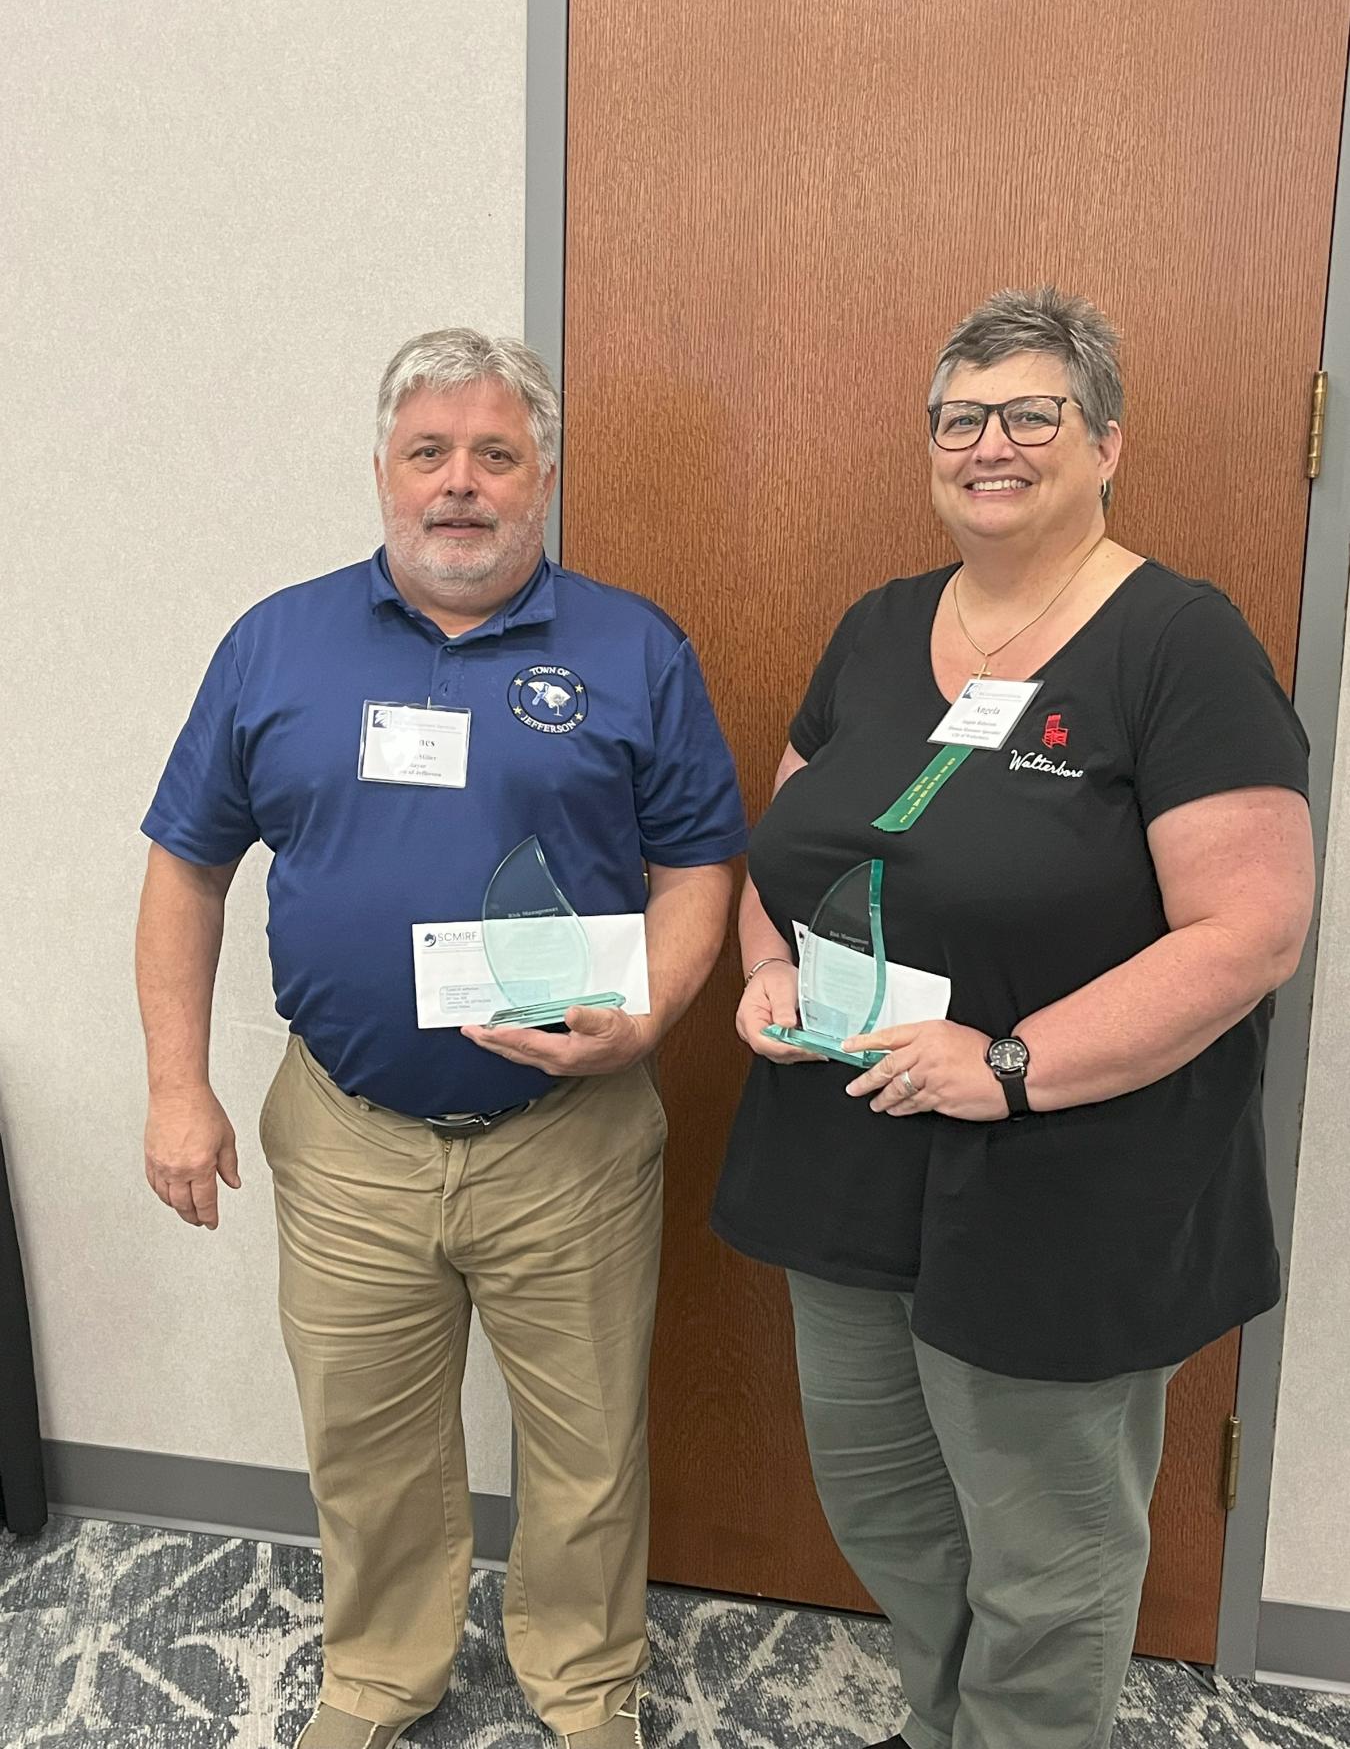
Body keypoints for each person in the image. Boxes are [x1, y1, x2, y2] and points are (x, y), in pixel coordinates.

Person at [712, 287, 1313, 1749]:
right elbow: (784, 849)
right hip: (852, 1152)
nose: (989, 443)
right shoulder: (878, 627)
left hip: (1065, 1171)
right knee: (887, 1503)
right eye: (959, 418)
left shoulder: (1178, 642)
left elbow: (1250, 931)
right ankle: (949, 1728)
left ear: (1106, 442)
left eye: (1030, 413)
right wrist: (765, 969)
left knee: (1047, 1552)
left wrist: (1007, 1063)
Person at [136, 329, 746, 1749]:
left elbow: (698, 864)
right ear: (383, 474)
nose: (459, 483)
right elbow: (187, 866)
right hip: (347, 1133)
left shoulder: (635, 648)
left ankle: (583, 1682)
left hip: (571, 1138)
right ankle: (378, 1674)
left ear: (543, 479)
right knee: (366, 1440)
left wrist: (649, 1013)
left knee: (588, 1444)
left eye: (494, 454)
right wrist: (177, 1086)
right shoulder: (276, 643)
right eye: (430, 453)